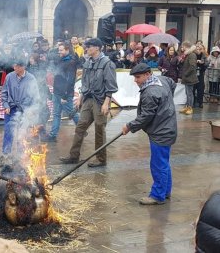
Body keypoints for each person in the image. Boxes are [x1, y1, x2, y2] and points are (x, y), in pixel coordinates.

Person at [122, 63, 177, 205]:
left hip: (161, 132)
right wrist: (167, 101)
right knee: (163, 162)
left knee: (158, 164)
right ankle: (165, 191)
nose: (136, 81)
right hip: (166, 127)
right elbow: (172, 83)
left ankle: (158, 196)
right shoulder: (162, 80)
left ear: (148, 74)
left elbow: (145, 116)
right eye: (134, 78)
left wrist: (129, 126)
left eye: (138, 77)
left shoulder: (150, 92)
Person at [60, 38, 118, 167]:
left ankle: (101, 159)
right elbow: (84, 83)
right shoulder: (87, 63)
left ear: (97, 48)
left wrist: (106, 102)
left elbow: (111, 85)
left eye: (89, 46)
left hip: (101, 100)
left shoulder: (107, 63)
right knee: (80, 127)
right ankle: (73, 156)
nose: (86, 49)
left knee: (99, 129)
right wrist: (80, 98)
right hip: (88, 98)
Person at [0, 58, 40, 167]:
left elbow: (36, 97)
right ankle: (5, 155)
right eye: (14, 65)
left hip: (24, 110)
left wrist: (31, 110)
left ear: (23, 67)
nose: (14, 68)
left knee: (22, 134)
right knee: (8, 133)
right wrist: (6, 105)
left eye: (17, 66)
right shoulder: (9, 77)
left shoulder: (31, 78)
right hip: (11, 109)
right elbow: (4, 93)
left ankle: (21, 157)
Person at [41, 43, 79, 142]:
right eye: (59, 50)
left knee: (71, 113)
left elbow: (70, 80)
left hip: (65, 94)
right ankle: (53, 135)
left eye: (61, 50)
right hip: (57, 91)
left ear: (67, 50)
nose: (59, 52)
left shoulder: (71, 62)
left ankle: (82, 128)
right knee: (56, 114)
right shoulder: (60, 60)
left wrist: (65, 96)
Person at [178, 41, 198, 115]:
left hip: (190, 77)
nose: (182, 48)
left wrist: (185, 74)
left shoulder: (192, 55)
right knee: (187, 93)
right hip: (187, 77)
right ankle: (187, 106)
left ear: (186, 46)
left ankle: (190, 107)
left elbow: (192, 66)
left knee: (189, 93)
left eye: (183, 47)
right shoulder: (186, 55)